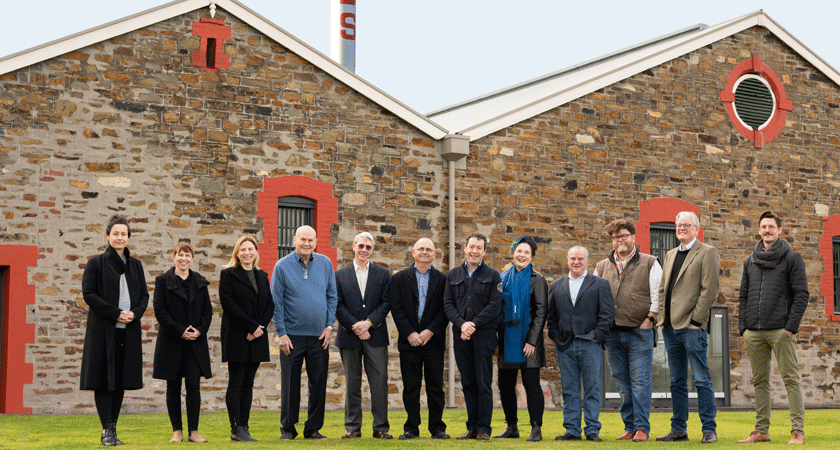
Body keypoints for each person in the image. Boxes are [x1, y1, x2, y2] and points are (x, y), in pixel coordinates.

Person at [737, 211, 807, 445]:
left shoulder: (792, 258)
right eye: (763, 227)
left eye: (771, 227)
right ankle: (761, 431)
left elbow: (801, 295)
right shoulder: (750, 261)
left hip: (781, 331)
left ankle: (797, 431)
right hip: (754, 331)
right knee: (760, 382)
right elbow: (743, 296)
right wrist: (743, 327)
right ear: (759, 230)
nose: (767, 230)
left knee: (791, 379)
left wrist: (790, 327)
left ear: (779, 230)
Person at [80, 214, 149, 446]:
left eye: (124, 234)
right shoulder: (96, 263)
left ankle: (113, 428)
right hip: (103, 331)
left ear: (129, 237)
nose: (120, 237)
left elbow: (143, 296)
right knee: (103, 380)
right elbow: (89, 294)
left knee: (120, 380)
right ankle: (106, 430)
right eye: (116, 233)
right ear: (107, 236)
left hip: (128, 331)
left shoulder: (136, 265)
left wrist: (135, 313)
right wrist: (115, 312)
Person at [594, 219, 662, 442]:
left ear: (633, 237)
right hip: (612, 334)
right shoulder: (602, 266)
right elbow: (594, 297)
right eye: (615, 237)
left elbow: (658, 294)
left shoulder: (650, 262)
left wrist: (649, 320)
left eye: (623, 235)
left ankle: (642, 428)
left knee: (640, 381)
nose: (620, 240)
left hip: (639, 332)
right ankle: (630, 427)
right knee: (622, 382)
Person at [656, 211, 720, 444]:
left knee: (702, 379)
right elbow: (663, 290)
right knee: (676, 380)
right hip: (671, 328)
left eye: (686, 225)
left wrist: (696, 321)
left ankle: (709, 429)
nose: (681, 228)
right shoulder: (671, 253)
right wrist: (662, 320)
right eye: (678, 225)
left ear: (696, 228)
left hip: (692, 327)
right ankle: (678, 429)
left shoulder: (707, 252)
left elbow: (709, 289)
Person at [271, 225, 337, 440]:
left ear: (316, 242)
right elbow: (276, 303)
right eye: (302, 240)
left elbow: (332, 297)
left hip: (320, 336)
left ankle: (313, 429)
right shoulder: (282, 267)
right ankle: (288, 429)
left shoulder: (325, 264)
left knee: (318, 383)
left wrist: (329, 326)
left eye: (310, 240)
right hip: (292, 337)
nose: (306, 244)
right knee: (290, 385)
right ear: (294, 240)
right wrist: (282, 333)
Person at [547, 246, 615, 442]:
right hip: (565, 345)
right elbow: (551, 317)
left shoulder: (600, 284)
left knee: (592, 388)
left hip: (590, 344)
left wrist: (596, 336)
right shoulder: (557, 285)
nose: (576, 262)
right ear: (567, 260)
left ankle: (592, 429)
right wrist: (555, 336)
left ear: (587, 261)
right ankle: (572, 430)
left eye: (580, 259)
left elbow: (607, 314)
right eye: (573, 258)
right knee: (569, 389)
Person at [389, 238, 451, 440]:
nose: (425, 252)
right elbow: (396, 309)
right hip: (409, 342)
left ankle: (437, 428)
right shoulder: (399, 278)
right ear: (413, 252)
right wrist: (410, 333)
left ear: (434, 254)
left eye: (429, 250)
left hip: (433, 341)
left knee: (435, 387)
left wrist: (429, 331)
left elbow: (445, 309)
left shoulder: (443, 280)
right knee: (411, 387)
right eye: (421, 249)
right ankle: (411, 428)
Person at [443, 231, 503, 441]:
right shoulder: (453, 275)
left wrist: (473, 324)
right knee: (468, 382)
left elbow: (495, 305)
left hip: (484, 336)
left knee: (483, 382)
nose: (475, 251)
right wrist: (462, 325)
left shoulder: (493, 275)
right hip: (461, 336)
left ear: (484, 251)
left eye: (479, 248)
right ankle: (472, 427)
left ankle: (484, 428)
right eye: (472, 247)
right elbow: (448, 304)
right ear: (465, 248)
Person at [152, 239, 213, 443]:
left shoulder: (201, 282)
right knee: (173, 386)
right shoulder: (163, 281)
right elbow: (160, 311)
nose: (184, 258)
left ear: (192, 259)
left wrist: (199, 330)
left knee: (194, 385)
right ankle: (177, 431)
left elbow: (207, 311)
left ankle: (193, 432)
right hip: (172, 341)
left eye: (187, 255)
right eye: (180, 254)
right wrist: (180, 331)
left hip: (195, 342)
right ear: (174, 257)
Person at [335, 232, 393, 439]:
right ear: (353, 246)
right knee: (352, 382)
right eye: (361, 246)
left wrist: (368, 324)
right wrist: (354, 326)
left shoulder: (383, 274)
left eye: (368, 247)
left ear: (372, 250)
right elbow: (337, 304)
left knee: (379, 382)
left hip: (375, 336)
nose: (364, 250)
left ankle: (380, 428)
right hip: (348, 336)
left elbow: (386, 303)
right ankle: (352, 427)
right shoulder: (340, 275)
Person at [219, 234, 275, 442]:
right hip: (237, 335)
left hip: (257, 336)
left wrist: (259, 328)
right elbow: (228, 304)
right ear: (237, 253)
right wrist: (251, 326)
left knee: (248, 383)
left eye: (250, 249)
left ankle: (244, 425)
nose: (247, 253)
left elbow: (269, 304)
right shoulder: (228, 275)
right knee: (236, 382)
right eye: (243, 249)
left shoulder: (262, 276)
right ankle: (235, 427)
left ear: (255, 253)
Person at [494, 236, 548, 442]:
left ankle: (536, 428)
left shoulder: (538, 279)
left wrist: (532, 341)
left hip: (528, 342)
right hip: (507, 340)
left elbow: (542, 312)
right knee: (505, 385)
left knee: (531, 384)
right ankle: (512, 426)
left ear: (532, 256)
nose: (522, 255)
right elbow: (498, 309)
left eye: (526, 252)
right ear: (513, 253)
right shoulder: (502, 278)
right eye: (519, 251)